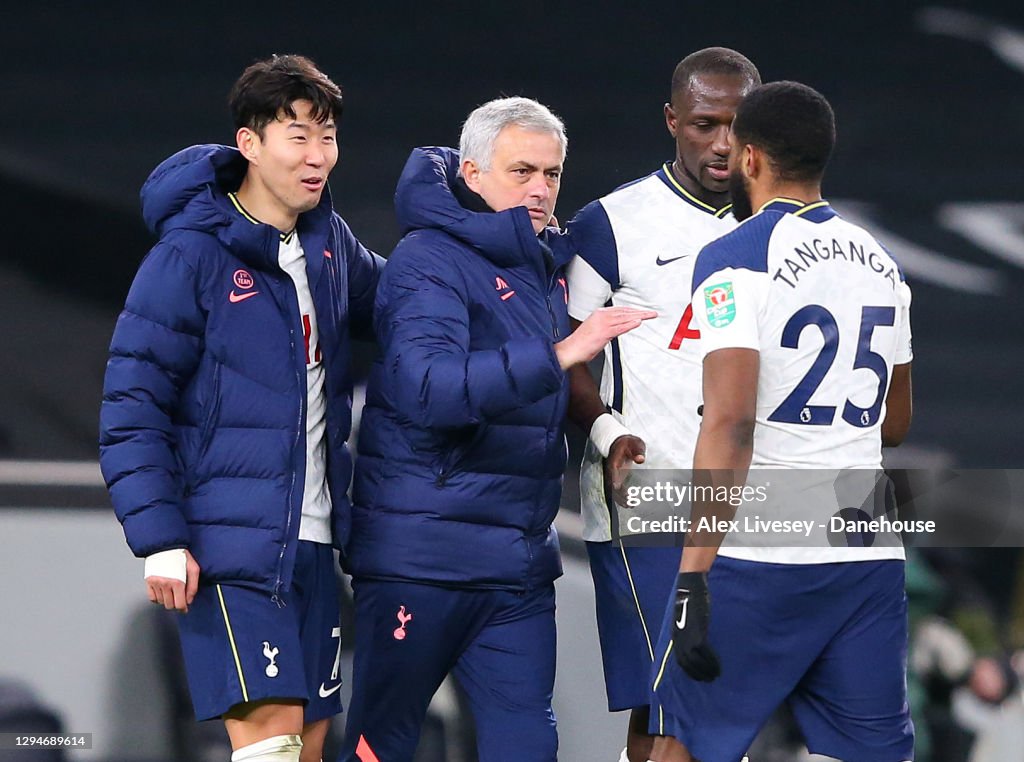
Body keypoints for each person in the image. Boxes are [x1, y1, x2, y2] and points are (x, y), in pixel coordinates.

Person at [338, 97, 656, 762]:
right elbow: (430, 392)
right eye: (522, 172)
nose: (541, 189)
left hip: (515, 566)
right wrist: (563, 354)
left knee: (527, 745)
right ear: (472, 173)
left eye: (552, 173)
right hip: (420, 561)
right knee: (381, 744)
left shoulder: (537, 265)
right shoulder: (428, 261)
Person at [99, 54, 383, 762]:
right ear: (249, 145)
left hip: (315, 542)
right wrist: (161, 538)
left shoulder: (329, 244)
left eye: (328, 137)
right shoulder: (189, 256)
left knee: (310, 747)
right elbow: (132, 406)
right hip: (227, 547)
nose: (318, 157)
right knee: (272, 744)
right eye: (298, 137)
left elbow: (411, 307)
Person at [650, 81, 915, 762]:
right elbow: (894, 423)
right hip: (866, 547)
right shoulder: (884, 264)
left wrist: (691, 576)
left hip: (764, 551)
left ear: (751, 158)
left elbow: (732, 425)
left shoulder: (736, 255)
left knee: (684, 743)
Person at [564, 48, 760, 762]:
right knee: (682, 698)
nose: (721, 143)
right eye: (705, 124)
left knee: (696, 704)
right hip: (644, 491)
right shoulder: (612, 223)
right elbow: (565, 354)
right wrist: (609, 431)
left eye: (737, 126)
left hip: (747, 497)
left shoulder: (780, 231)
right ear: (673, 120)